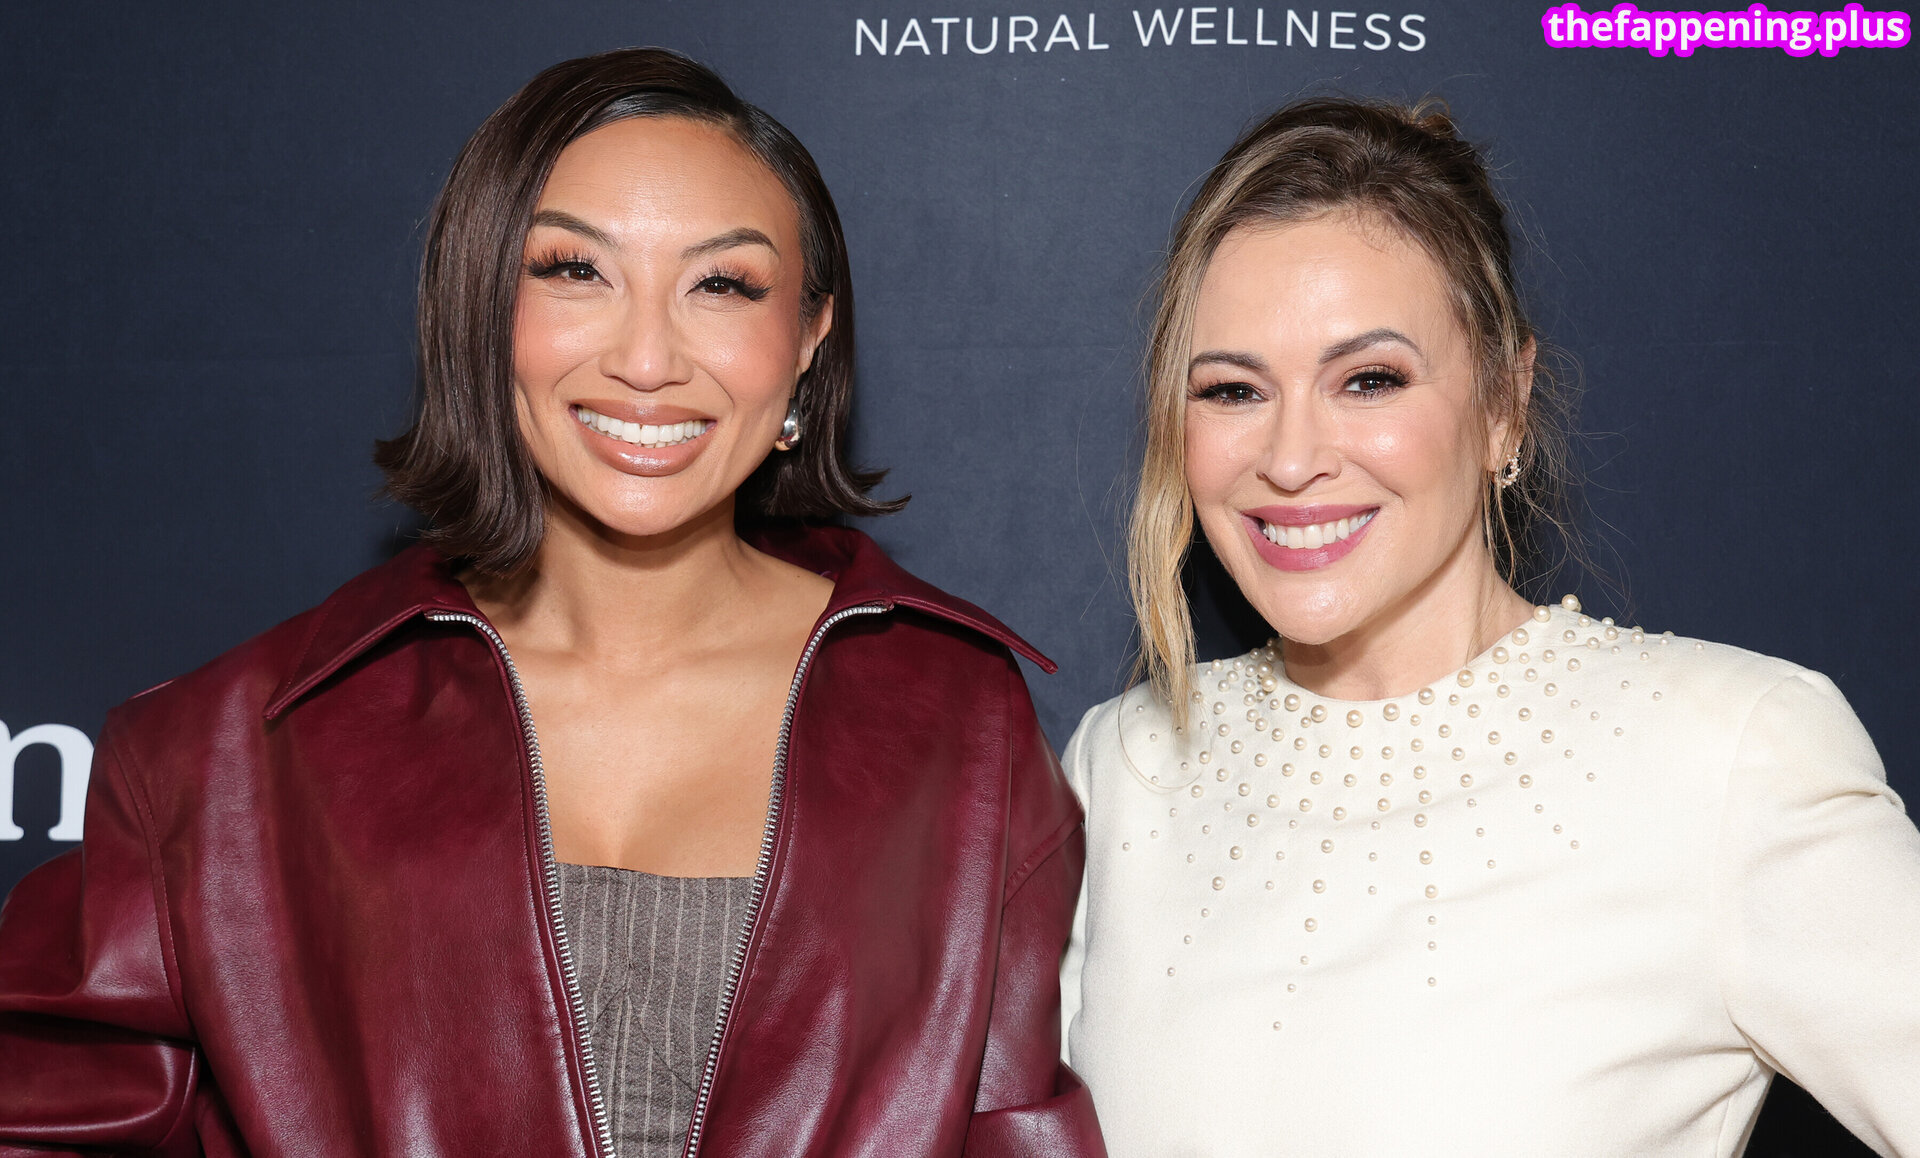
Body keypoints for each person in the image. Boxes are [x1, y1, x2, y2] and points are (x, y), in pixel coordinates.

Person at [0, 48, 1102, 1157]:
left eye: (722, 284)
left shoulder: (965, 732)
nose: (647, 359)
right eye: (577, 270)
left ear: (808, 339)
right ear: (483, 306)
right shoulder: (222, 759)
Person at [1060, 97, 1920, 1157]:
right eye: (1234, 390)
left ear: (1505, 403)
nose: (1289, 458)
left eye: (1369, 380)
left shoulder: (1730, 755)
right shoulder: (1122, 766)